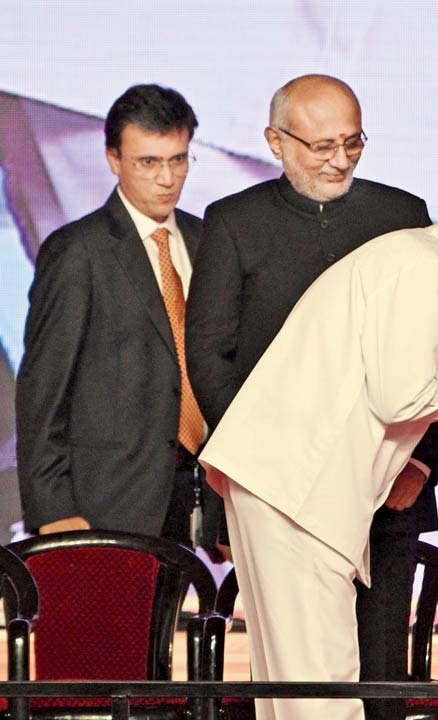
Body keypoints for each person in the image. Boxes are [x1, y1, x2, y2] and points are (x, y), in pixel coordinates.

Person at [199, 194, 438, 720]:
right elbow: (401, 395)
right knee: (322, 682)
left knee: (293, 687)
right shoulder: (421, 271)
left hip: (285, 485)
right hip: (296, 489)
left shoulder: (411, 260)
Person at [184, 74, 438, 716]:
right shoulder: (235, 222)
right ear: (275, 141)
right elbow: (210, 356)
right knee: (293, 671)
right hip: (280, 497)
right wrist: (263, 467)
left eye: (353, 143)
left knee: (381, 667)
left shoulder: (402, 214)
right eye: (320, 146)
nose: (339, 160)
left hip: (387, 486)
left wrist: (419, 463)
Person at [15, 84, 223, 553]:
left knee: (184, 622)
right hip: (106, 500)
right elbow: (43, 391)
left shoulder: (209, 240)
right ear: (113, 159)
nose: (167, 178)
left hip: (198, 493)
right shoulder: (78, 251)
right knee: (110, 629)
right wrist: (52, 509)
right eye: (149, 162)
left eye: (178, 159)